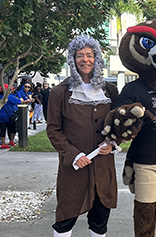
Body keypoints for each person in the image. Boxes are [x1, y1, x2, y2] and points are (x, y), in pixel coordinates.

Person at [47, 36, 120, 237]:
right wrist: (73, 154)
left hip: (103, 165)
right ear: (73, 60)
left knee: (99, 219)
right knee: (65, 218)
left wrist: (112, 144)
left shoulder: (110, 91)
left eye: (90, 55)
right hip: (74, 167)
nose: (85, 60)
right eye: (80, 56)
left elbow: (118, 125)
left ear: (97, 59)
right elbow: (53, 129)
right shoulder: (60, 92)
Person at [0, 84, 21, 149]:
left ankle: (3, 143)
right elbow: (19, 101)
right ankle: (11, 141)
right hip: (10, 116)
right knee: (13, 129)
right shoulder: (9, 97)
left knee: (2, 130)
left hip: (0, 116)